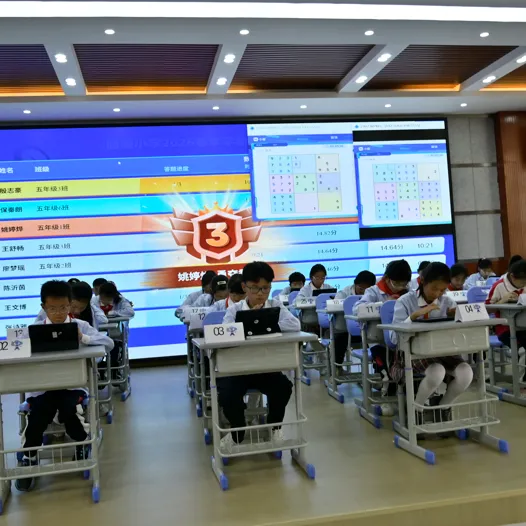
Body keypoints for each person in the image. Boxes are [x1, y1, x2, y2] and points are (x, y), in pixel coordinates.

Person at [16, 280, 114, 492]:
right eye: (53, 309)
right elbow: (15, 350)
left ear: (70, 305)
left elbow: (109, 343)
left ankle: (82, 444)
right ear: (43, 307)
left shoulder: (80, 326)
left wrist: (84, 338)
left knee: (71, 410)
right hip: (43, 389)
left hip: (72, 387)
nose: (59, 313)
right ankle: (29, 457)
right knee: (37, 415)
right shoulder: (33, 330)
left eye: (63, 308)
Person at [220, 261, 299, 447]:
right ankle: (237, 431)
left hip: (266, 367)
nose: (260, 294)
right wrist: (248, 323)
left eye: (265, 288)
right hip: (237, 369)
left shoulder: (275, 306)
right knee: (227, 394)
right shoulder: (234, 310)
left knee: (283, 387)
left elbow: (295, 324)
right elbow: (225, 332)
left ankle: (274, 428)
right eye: (255, 288)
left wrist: (265, 322)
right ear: (244, 287)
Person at [391, 262, 472, 425]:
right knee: (437, 372)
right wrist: (413, 317)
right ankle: (417, 410)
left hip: (443, 351)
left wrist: (459, 317)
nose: (438, 293)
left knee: (466, 373)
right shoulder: (405, 301)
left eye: (442, 290)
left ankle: (442, 408)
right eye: (434, 288)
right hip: (413, 353)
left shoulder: (447, 302)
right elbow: (394, 338)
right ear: (422, 281)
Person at [353, 260, 412, 406]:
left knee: (406, 368)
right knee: (386, 371)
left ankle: (407, 399)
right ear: (387, 278)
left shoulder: (409, 291)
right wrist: (384, 305)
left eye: (403, 283)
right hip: (378, 340)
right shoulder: (373, 291)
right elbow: (357, 309)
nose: (400, 287)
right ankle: (386, 399)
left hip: (401, 340)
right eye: (396, 283)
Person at [487, 259, 526, 380]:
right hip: (505, 329)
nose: (524, 284)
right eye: (523, 281)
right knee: (523, 349)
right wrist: (502, 300)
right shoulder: (499, 286)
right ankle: (521, 381)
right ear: (512, 277)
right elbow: (487, 309)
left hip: (523, 327)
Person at [333, 271, 377, 370]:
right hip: (348, 332)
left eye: (366, 289)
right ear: (355, 284)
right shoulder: (344, 292)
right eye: (361, 288)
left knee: (379, 341)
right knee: (339, 339)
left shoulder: (374, 293)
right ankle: (337, 369)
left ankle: (379, 370)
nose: (363, 291)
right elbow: (335, 304)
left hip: (368, 331)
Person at [36, 281, 108, 329]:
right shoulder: (47, 311)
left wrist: (84, 338)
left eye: (82, 308)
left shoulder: (85, 320)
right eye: (74, 307)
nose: (77, 311)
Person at [296, 264, 334, 331]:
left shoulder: (328, 287)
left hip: (326, 318)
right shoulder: (305, 289)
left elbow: (336, 299)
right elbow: (297, 301)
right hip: (310, 319)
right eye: (317, 277)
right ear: (311, 277)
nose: (320, 280)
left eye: (323, 278)